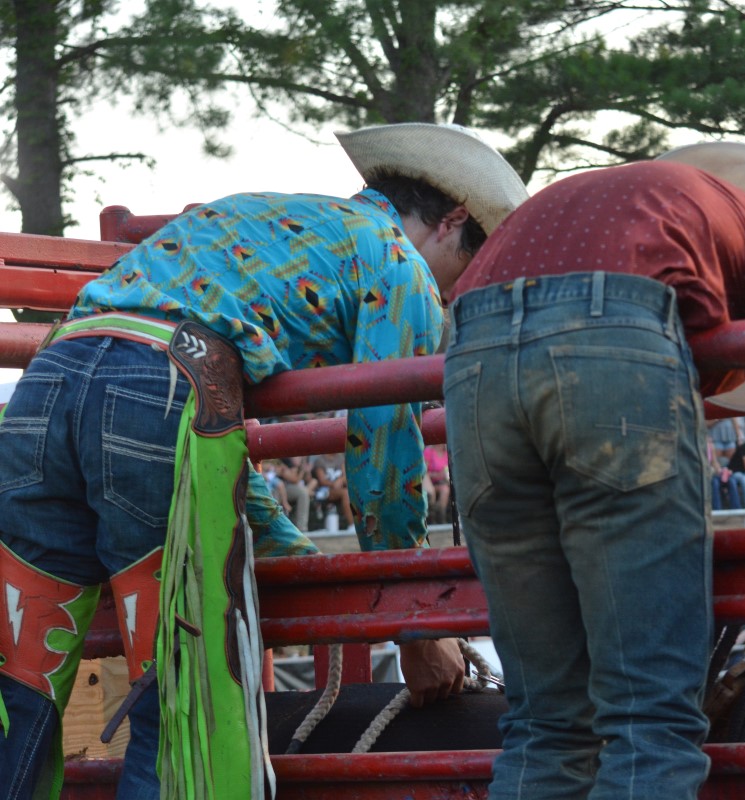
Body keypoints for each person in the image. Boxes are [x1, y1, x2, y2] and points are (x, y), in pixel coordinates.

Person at [0, 123, 528, 800]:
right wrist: (416, 626)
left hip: (44, 389)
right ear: (451, 220)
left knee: (22, 687)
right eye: (472, 259)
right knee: (182, 707)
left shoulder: (249, 215)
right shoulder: (399, 265)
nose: (456, 289)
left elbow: (211, 442)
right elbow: (384, 451)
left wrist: (299, 555)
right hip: (164, 392)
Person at [442, 143, 745, 798]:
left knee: (546, 724)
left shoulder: (615, 201)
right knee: (651, 724)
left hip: (474, 354)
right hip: (612, 343)